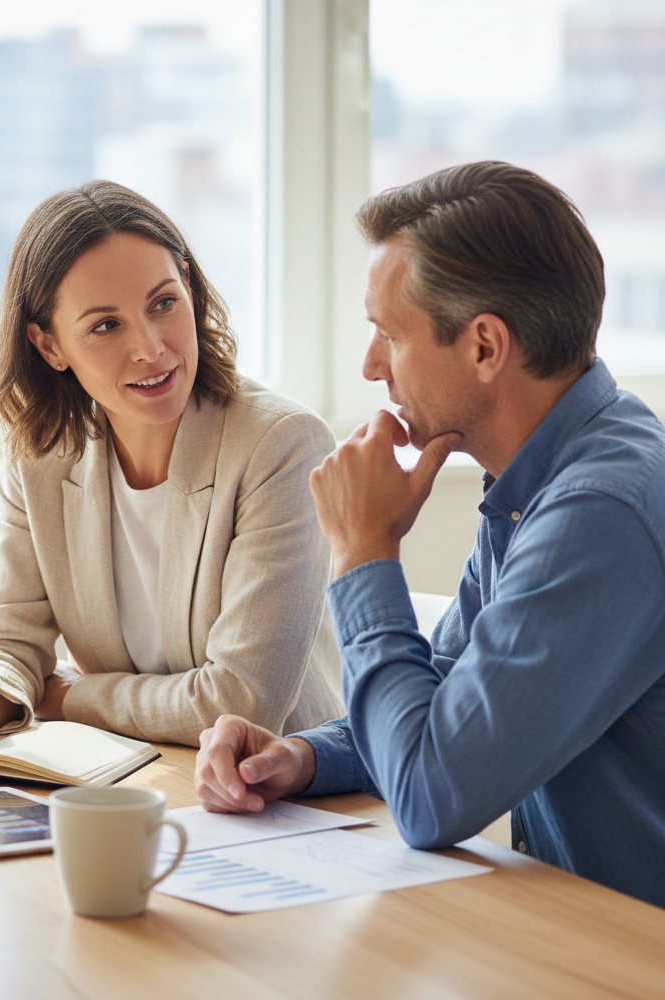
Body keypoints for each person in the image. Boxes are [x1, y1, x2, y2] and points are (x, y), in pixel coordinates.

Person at [195, 161, 665, 909]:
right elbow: (447, 700)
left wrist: (363, 550)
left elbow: (431, 795)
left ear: (484, 346)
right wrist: (302, 756)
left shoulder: (599, 509)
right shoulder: (537, 475)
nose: (371, 365)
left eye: (388, 335)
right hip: (578, 936)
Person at [0, 180, 345, 748]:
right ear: (49, 346)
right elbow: (8, 640)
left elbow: (241, 702)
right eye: (105, 325)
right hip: (132, 782)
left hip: (290, 806)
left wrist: (69, 696)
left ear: (190, 291)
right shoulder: (42, 458)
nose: (150, 347)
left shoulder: (282, 446)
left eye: (164, 303)